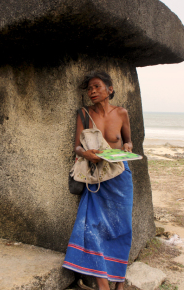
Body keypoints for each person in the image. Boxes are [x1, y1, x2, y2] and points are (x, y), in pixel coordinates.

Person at [62, 71, 134, 290]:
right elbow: (77, 146)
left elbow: (128, 141)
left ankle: (119, 282)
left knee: (121, 228)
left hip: (120, 177)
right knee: (91, 228)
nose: (92, 92)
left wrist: (128, 146)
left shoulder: (121, 113)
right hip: (96, 178)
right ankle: (103, 285)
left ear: (109, 90)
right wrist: (86, 154)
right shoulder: (84, 113)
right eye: (89, 89)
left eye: (97, 87)